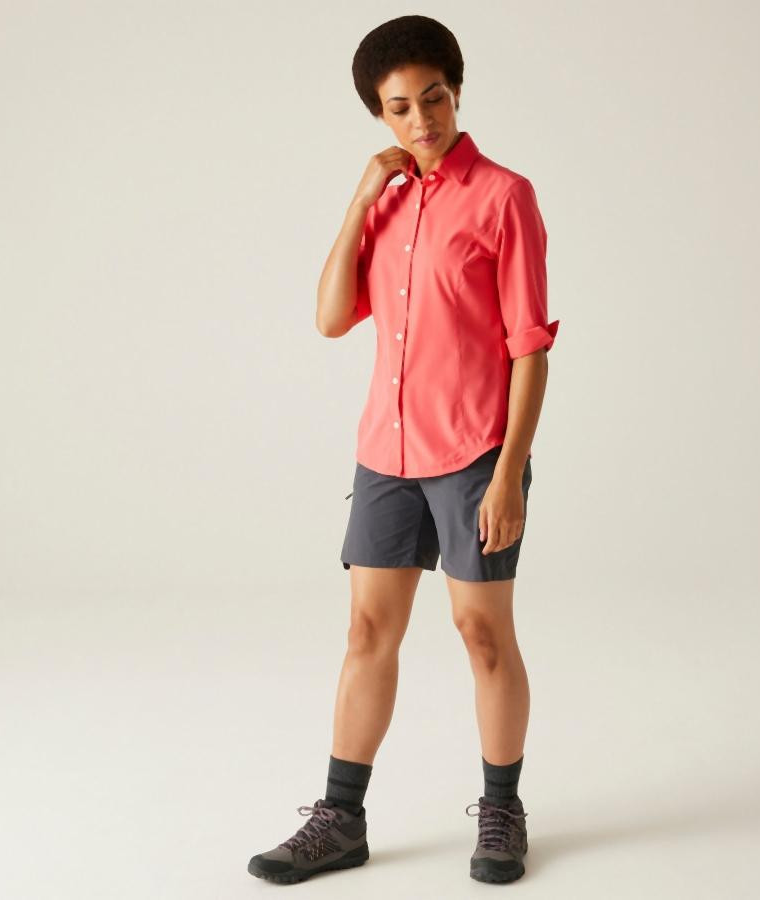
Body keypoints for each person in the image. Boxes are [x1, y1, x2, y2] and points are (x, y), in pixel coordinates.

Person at [248, 14, 559, 886]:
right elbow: (330, 318)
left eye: (434, 98)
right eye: (399, 108)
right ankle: (340, 820)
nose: (421, 120)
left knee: (481, 633)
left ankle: (502, 810)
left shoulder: (504, 196)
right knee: (366, 631)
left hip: (473, 455)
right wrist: (359, 201)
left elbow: (530, 347)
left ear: (456, 93)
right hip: (385, 455)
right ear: (378, 116)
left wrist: (509, 474)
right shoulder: (384, 202)